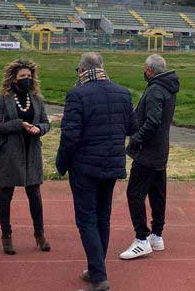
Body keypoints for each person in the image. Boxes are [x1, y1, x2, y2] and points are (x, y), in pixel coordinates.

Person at [56, 52, 137, 291]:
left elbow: (70, 136)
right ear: (102, 67)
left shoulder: (77, 94)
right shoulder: (122, 92)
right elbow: (132, 126)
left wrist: (62, 163)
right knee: (103, 216)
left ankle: (99, 276)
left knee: (87, 219)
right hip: (112, 164)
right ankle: (95, 269)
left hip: (85, 167)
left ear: (81, 70)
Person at [119, 54, 180, 260]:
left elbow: (152, 121)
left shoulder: (155, 90)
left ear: (149, 71)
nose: (143, 72)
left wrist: (136, 138)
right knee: (157, 193)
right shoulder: (168, 87)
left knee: (134, 194)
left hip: (148, 152)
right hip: (161, 150)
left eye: (144, 69)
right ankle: (156, 235)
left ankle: (141, 238)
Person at [0, 59, 51, 255]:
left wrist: (38, 129)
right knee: (6, 194)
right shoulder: (1, 100)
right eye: (23, 76)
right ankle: (6, 235)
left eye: (29, 76)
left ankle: (39, 233)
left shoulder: (37, 99)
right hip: (9, 154)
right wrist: (19, 124)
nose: (27, 79)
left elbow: (46, 123)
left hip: (32, 152)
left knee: (35, 194)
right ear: (13, 79)